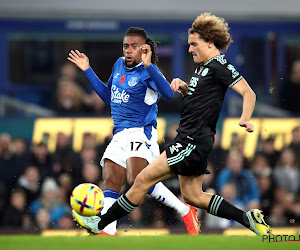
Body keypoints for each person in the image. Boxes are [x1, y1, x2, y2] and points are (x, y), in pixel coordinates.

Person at [72, 13, 272, 236]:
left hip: (191, 139)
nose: (190, 49)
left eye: (194, 44)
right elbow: (201, 101)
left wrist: (245, 118)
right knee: (193, 196)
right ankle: (247, 218)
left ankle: (99, 224)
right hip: (195, 138)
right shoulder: (203, 67)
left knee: (142, 180)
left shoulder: (219, 66)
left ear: (210, 42)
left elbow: (248, 93)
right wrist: (187, 90)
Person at [68, 27, 199, 235]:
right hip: (119, 134)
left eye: (134, 47)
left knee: (137, 180)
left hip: (141, 131)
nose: (128, 50)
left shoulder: (149, 70)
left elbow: (166, 92)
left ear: (144, 49)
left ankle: (185, 210)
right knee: (110, 180)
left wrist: (149, 65)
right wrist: (87, 70)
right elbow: (108, 97)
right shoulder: (119, 64)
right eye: (126, 46)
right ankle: (108, 229)